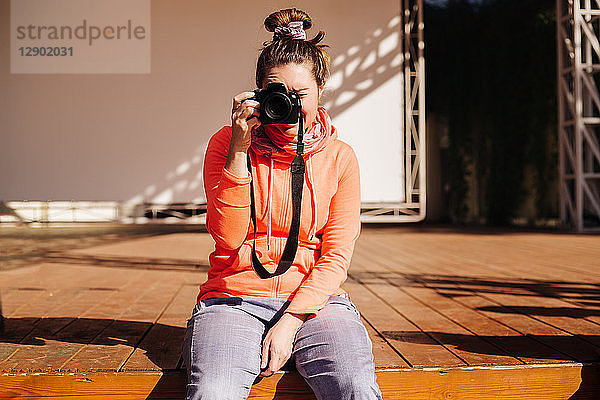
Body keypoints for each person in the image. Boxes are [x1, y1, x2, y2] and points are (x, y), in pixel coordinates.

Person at [182, 7, 383, 400]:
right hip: (233, 298)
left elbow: (337, 256)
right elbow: (227, 239)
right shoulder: (226, 143)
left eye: (301, 95)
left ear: (321, 91)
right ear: (258, 94)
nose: (289, 106)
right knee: (214, 392)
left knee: (355, 388)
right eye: (278, 94)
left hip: (315, 305)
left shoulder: (340, 157)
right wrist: (240, 151)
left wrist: (291, 320)